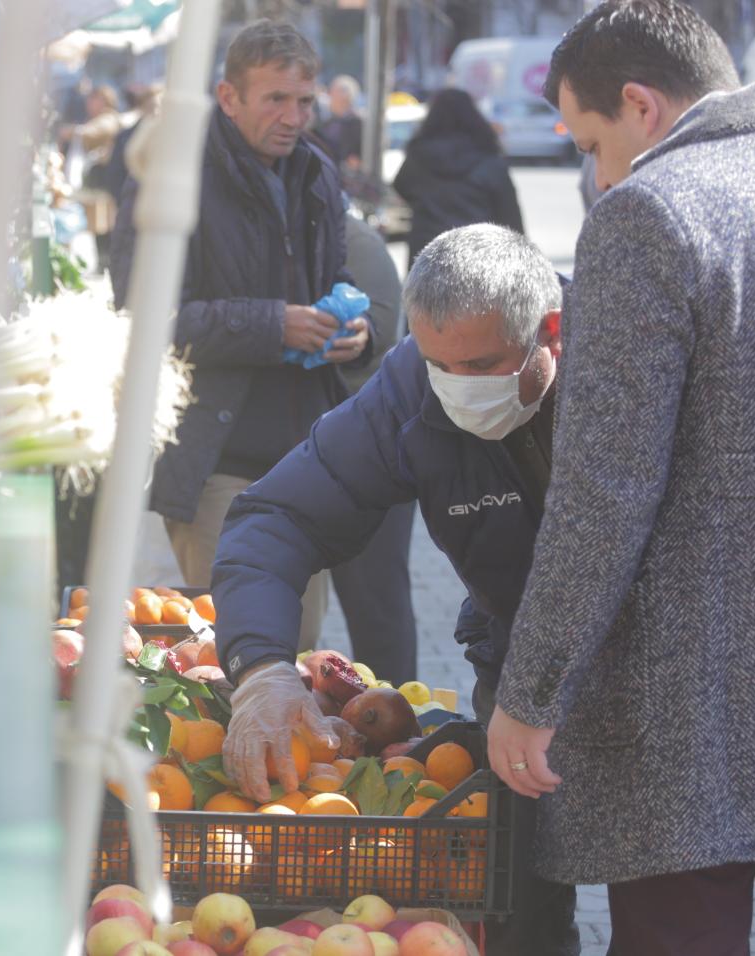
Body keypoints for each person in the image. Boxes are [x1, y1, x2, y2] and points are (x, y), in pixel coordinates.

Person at [484, 3, 755, 953]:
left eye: (591, 143)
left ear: (642, 106)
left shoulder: (647, 214)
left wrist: (532, 693)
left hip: (689, 702)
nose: (598, 174)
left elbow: (604, 493)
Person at [212, 224, 578, 955]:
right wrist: (260, 666)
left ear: (551, 333)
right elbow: (280, 516)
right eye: (440, 364)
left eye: (481, 365)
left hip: (662, 671)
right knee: (519, 904)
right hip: (515, 667)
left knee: (672, 912)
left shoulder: (624, 366)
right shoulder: (412, 387)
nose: (459, 386)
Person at [110, 19, 375, 651]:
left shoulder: (315, 171)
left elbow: (333, 277)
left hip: (305, 458)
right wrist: (272, 324)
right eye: (275, 99)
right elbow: (145, 318)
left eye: (304, 101)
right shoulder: (173, 175)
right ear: (228, 97)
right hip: (214, 459)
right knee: (235, 649)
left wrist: (352, 331)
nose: (294, 117)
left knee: (300, 651)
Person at [328, 213, 419, 685]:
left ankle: (397, 709)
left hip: (369, 455)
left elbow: (381, 331)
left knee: (377, 605)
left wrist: (355, 334)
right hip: (284, 449)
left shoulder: (355, 242)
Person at [393, 88, 523, 268]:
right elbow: (510, 216)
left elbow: (401, 185)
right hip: (479, 255)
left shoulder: (419, 156)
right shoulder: (489, 160)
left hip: (427, 253)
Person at [314, 74, 363, 171]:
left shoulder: (358, 122)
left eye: (332, 93)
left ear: (344, 97)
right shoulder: (328, 123)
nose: (329, 97)